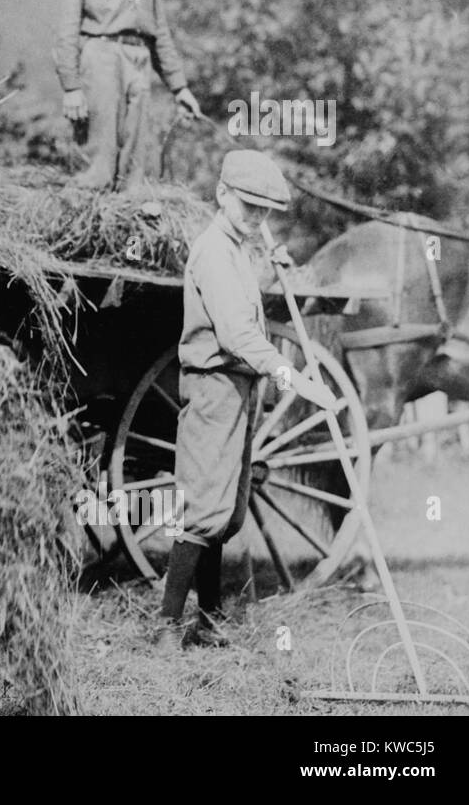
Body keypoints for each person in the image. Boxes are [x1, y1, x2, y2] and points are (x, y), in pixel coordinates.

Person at [157, 150, 339, 650]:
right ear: (221, 195)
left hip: (240, 388)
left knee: (226, 510)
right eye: (247, 206)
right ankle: (166, 628)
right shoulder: (213, 251)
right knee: (201, 507)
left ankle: (210, 620)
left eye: (264, 210)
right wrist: (293, 378)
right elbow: (236, 332)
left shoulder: (236, 247)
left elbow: (241, 298)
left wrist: (268, 263)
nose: (256, 217)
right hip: (215, 387)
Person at [53, 0, 203, 190]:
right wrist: (71, 86)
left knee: (135, 156)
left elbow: (159, 29)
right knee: (100, 155)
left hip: (139, 59)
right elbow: (68, 22)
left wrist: (179, 88)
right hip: (101, 54)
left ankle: (129, 212)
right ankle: (85, 213)